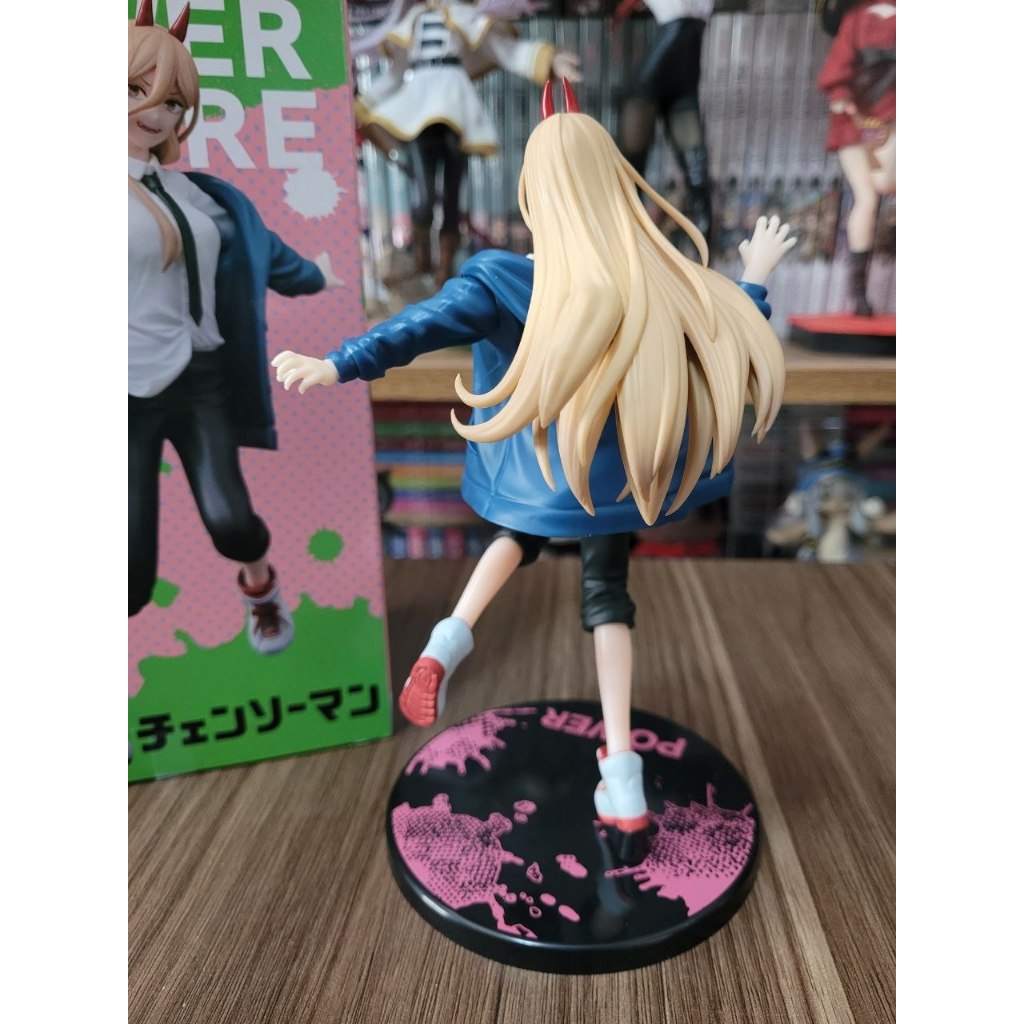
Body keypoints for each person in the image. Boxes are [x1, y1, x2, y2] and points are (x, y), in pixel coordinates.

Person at [274, 82, 793, 860]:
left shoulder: (502, 279)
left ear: (535, 189)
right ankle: (623, 781)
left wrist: (338, 363)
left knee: (515, 537)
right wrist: (755, 275)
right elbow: (723, 337)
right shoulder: (660, 279)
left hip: (536, 485)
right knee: (608, 601)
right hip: (620, 486)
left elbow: (417, 327)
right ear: (615, 181)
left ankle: (449, 639)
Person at [128, 2, 342, 653]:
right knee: (128, 570)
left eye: (172, 102)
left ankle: (260, 586)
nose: (155, 113)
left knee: (231, 520)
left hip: (202, 377)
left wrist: (319, 275)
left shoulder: (193, 192)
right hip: (124, 388)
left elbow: (257, 247)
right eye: (136, 91)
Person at [352, 0, 580, 287]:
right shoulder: (413, 20)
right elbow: (395, 75)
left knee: (452, 196)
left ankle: (444, 270)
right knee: (424, 196)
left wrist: (548, 59)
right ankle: (422, 261)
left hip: (457, 108)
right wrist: (361, 106)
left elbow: (505, 51)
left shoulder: (465, 16)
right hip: (419, 108)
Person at [817, 0, 896, 316]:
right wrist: (840, 96)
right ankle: (858, 293)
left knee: (882, 186)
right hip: (857, 121)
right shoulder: (856, 19)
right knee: (867, 197)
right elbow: (837, 68)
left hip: (888, 119)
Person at [614, 0, 714, 245]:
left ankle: (704, 249)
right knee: (632, 169)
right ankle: (630, 245)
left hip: (682, 78)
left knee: (696, 169)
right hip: (661, 76)